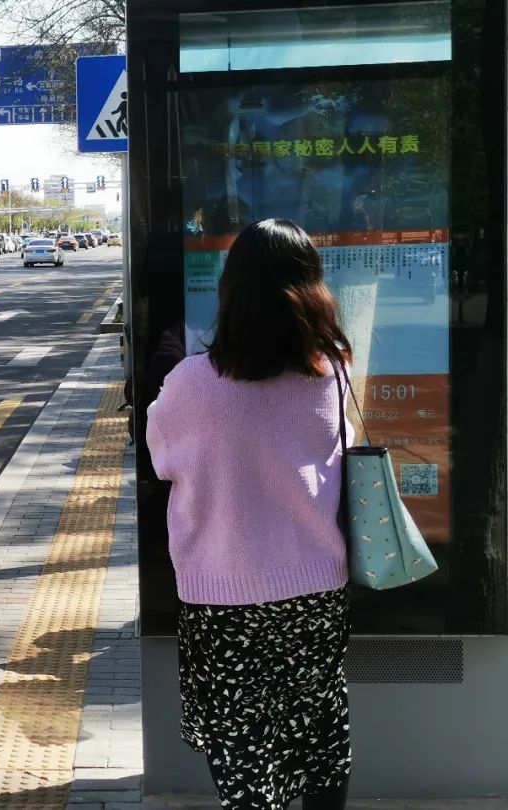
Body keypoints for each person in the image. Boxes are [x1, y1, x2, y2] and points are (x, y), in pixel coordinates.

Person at [144, 219, 354, 810]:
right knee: (319, 733)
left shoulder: (191, 383)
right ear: (312, 290)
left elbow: (161, 458)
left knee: (239, 744)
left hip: (222, 594)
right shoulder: (330, 371)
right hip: (315, 588)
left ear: (231, 291)